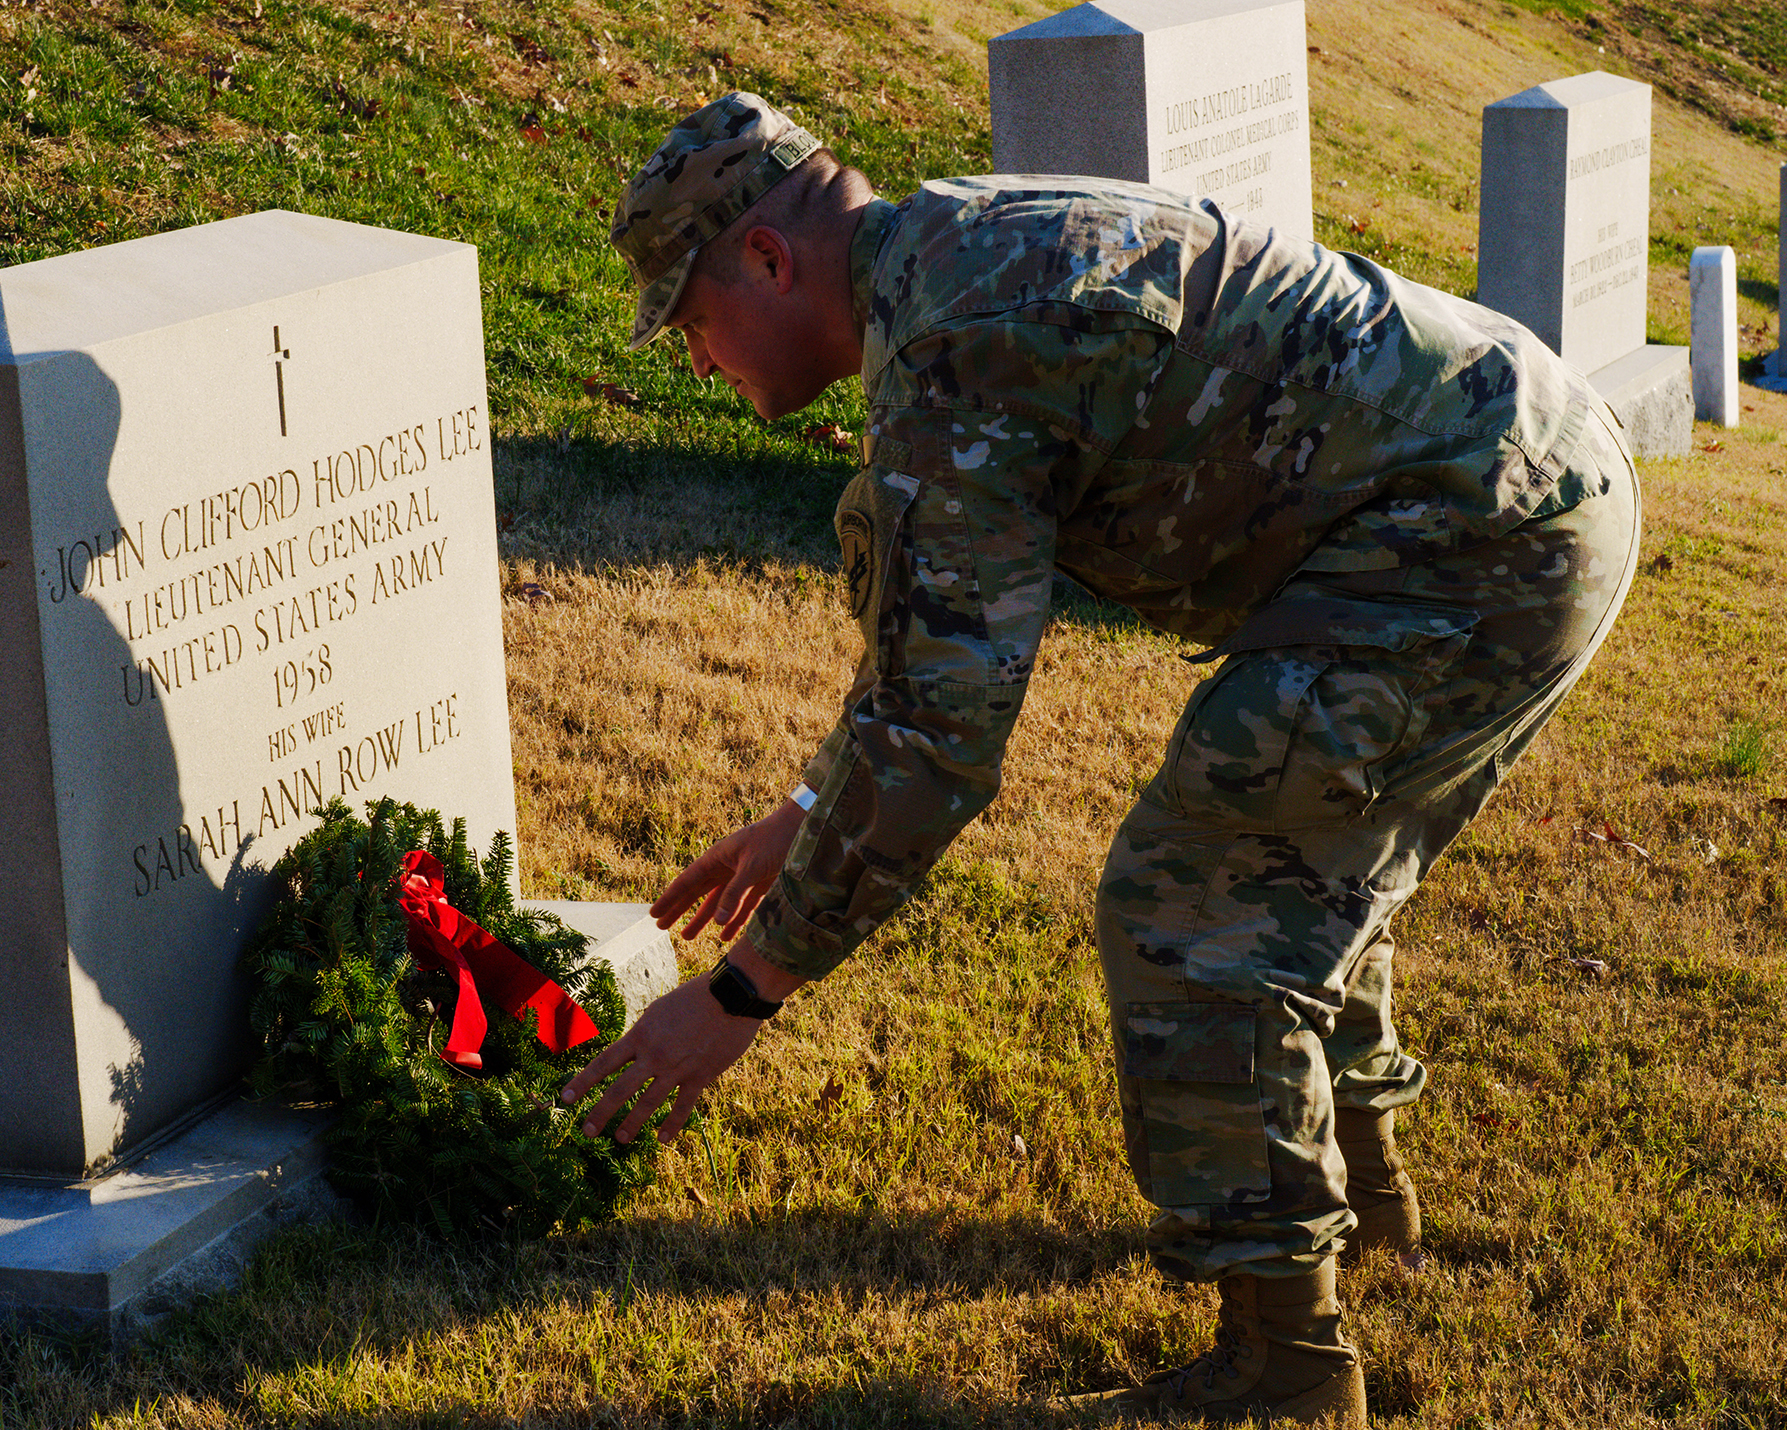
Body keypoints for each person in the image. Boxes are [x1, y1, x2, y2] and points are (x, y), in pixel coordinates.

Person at [562, 92, 1640, 1426]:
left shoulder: (954, 349)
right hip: (1517, 480)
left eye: (691, 318)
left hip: (1469, 536)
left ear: (768, 262)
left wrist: (731, 1001)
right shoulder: (951, 252)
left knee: (1197, 901)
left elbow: (942, 746)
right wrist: (806, 805)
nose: (697, 358)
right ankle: (1369, 1209)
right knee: (1296, 863)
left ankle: (1283, 1371)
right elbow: (937, 645)